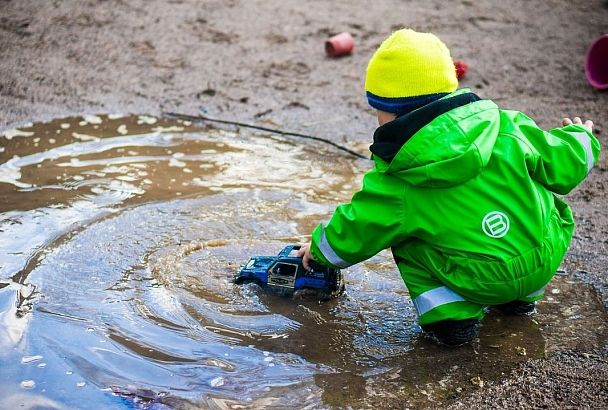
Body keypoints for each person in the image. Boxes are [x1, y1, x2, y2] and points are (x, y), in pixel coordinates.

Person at [297, 28, 600, 346]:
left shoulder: (398, 178)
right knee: (534, 199)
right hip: (542, 258)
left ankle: (452, 321)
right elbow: (564, 163)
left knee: (402, 236)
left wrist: (318, 251)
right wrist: (581, 137)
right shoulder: (508, 126)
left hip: (478, 279)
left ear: (387, 112)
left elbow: (358, 227)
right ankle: (518, 302)